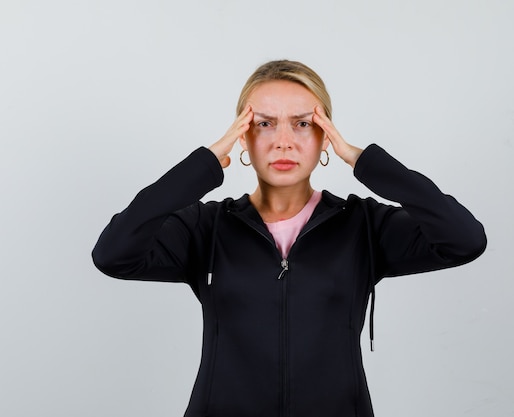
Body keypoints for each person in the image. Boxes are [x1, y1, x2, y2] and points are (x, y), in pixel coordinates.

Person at [92, 60, 487, 417]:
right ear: (242, 137)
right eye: (264, 123)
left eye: (303, 123)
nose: (284, 141)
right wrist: (205, 163)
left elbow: (464, 239)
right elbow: (113, 253)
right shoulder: (205, 227)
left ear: (325, 136)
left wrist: (365, 161)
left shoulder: (364, 224)